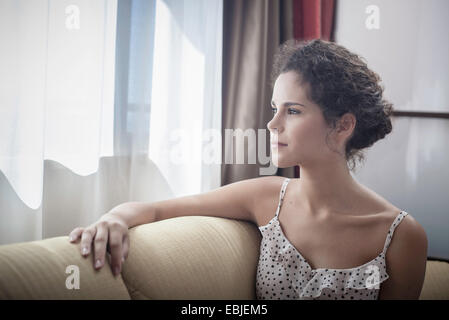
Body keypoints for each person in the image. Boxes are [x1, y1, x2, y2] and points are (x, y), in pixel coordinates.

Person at [68, 39, 428, 300]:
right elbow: (159, 208)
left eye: (293, 110)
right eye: (275, 107)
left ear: (343, 126)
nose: (272, 124)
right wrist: (114, 218)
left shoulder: (400, 237)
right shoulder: (267, 197)